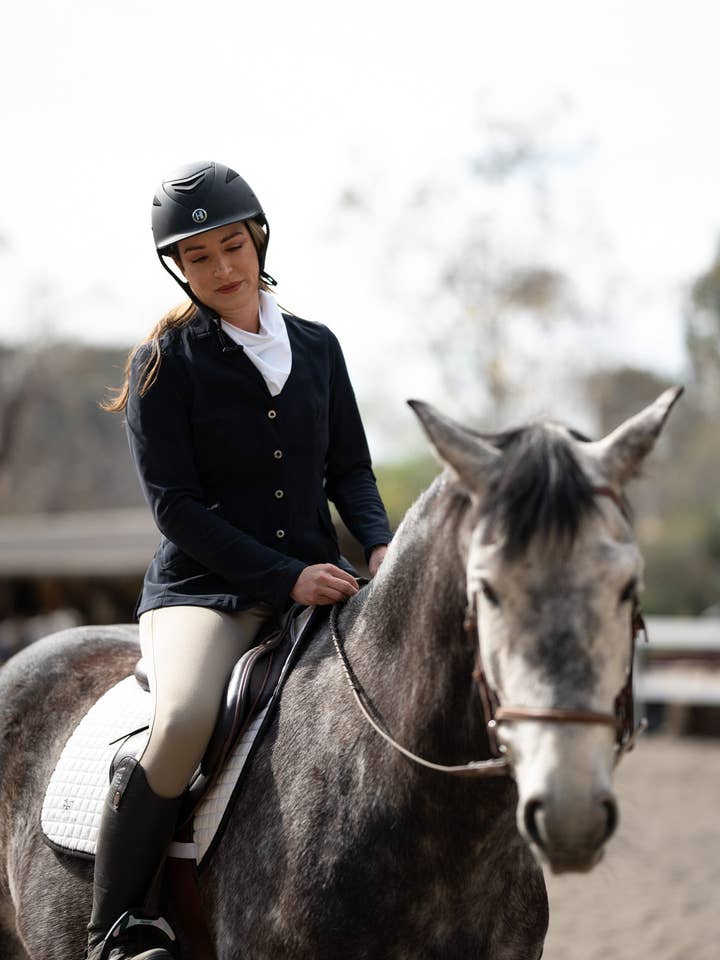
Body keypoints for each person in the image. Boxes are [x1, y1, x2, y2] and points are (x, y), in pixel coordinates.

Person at [90, 160, 392, 960]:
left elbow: (350, 471)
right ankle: (116, 927)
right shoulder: (162, 363)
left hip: (322, 580)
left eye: (233, 246)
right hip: (205, 594)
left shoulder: (319, 348)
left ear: (258, 239)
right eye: (200, 258)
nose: (223, 269)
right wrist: (285, 577)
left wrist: (382, 543)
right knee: (186, 719)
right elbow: (177, 511)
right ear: (178, 268)